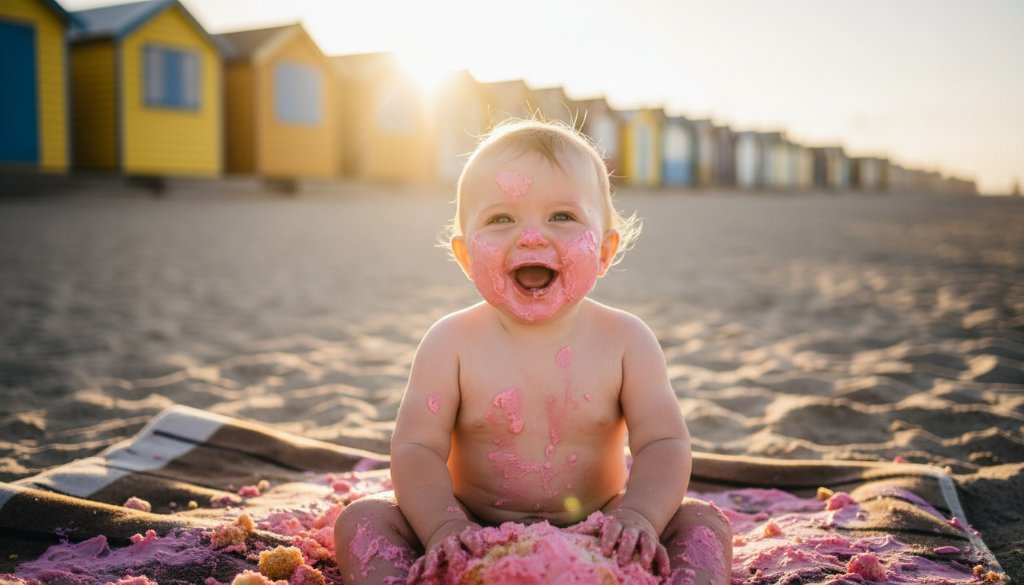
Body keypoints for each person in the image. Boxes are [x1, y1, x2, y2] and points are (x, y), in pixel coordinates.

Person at [334, 119, 732, 584]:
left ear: (604, 251)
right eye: (501, 218)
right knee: (363, 518)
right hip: (470, 529)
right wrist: (444, 525)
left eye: (561, 216)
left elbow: (663, 442)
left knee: (703, 521)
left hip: (604, 528)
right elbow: (416, 447)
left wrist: (640, 516)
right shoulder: (450, 342)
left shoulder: (626, 341)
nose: (531, 236)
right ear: (465, 257)